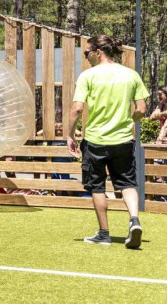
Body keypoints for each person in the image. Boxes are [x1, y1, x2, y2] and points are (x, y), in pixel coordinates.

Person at [67, 34, 149, 248]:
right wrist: (128, 121)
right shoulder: (131, 75)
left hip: (95, 140)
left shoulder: (88, 76)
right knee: (128, 183)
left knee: (97, 186)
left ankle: (104, 234)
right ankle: (134, 221)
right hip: (122, 140)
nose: (86, 57)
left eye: (87, 53)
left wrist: (69, 134)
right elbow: (141, 109)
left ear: (98, 52)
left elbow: (77, 109)